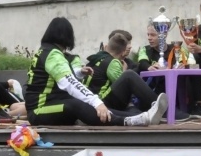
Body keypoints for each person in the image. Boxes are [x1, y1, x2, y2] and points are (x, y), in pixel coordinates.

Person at [25, 17, 167, 126]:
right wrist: (96, 102)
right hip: (39, 111)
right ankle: (126, 120)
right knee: (76, 104)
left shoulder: (47, 51)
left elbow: (58, 78)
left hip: (50, 104)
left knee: (82, 102)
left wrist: (79, 72)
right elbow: (69, 83)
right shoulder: (53, 54)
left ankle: (138, 117)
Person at [84, 33, 183, 120]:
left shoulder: (96, 58)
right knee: (129, 75)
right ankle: (165, 110)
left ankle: (150, 112)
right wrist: (124, 71)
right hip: (101, 102)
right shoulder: (112, 62)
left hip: (94, 101)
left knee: (137, 112)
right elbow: (123, 85)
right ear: (123, 52)